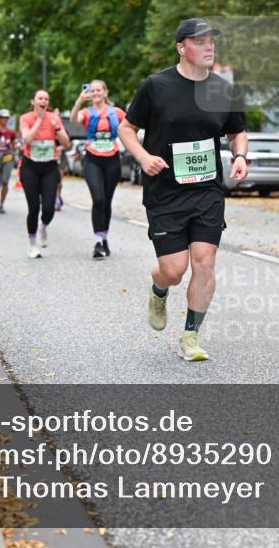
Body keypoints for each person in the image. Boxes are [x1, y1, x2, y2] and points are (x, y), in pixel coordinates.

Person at [118, 18, 248, 362]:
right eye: (200, 41)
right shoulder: (156, 86)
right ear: (181, 48)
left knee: (204, 263)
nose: (209, 47)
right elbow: (127, 128)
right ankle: (159, 289)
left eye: (212, 41)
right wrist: (144, 157)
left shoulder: (223, 89)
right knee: (174, 270)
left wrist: (240, 157)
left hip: (207, 190)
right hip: (166, 192)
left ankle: (190, 336)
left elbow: (237, 131)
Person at [71, 80, 127, 259]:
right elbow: (73, 121)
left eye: (98, 90)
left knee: (107, 201)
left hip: (112, 160)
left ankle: (104, 238)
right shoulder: (86, 112)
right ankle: (97, 242)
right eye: (92, 90)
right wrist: (79, 101)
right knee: (98, 198)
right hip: (92, 159)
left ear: (105, 92)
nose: (95, 93)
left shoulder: (116, 112)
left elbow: (130, 127)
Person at [19, 90, 70, 258]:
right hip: (30, 167)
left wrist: (57, 127)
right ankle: (32, 245)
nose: (44, 101)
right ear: (33, 101)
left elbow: (66, 143)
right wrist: (39, 120)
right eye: (40, 98)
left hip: (49, 167)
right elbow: (27, 139)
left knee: (49, 207)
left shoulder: (54, 118)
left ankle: (43, 226)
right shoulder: (25, 118)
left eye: (46, 99)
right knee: (33, 207)